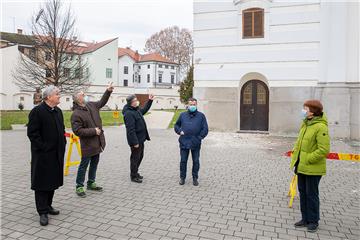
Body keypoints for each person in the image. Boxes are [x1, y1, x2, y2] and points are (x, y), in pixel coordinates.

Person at [27, 86, 66, 226]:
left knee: (53, 181)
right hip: (43, 155)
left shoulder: (58, 111)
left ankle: (48, 206)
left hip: (56, 154)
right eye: (57, 94)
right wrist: (43, 147)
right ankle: (42, 211)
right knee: (42, 183)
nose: (59, 96)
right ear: (49, 97)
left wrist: (63, 143)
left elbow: (62, 130)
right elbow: (32, 133)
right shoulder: (37, 111)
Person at [290, 99, 330, 233]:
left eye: (305, 109)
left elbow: (324, 150)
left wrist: (307, 158)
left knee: (311, 194)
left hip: (313, 167)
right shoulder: (305, 124)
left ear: (312, 112)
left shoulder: (321, 127)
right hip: (301, 165)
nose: (303, 111)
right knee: (303, 193)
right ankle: (305, 218)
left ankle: (313, 221)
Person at [71, 83, 114, 197]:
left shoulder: (91, 105)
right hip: (88, 144)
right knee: (84, 165)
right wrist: (93, 131)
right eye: (81, 94)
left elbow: (101, 102)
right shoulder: (76, 114)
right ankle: (79, 186)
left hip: (97, 142)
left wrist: (108, 91)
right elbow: (78, 131)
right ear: (77, 98)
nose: (84, 95)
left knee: (94, 164)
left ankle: (91, 183)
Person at [174, 98, 208, 186]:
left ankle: (195, 178)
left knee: (196, 161)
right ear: (187, 105)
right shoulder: (182, 115)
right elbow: (176, 125)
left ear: (196, 105)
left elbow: (205, 128)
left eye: (194, 104)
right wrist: (179, 131)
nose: (192, 106)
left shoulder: (201, 116)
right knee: (183, 161)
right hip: (184, 142)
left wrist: (199, 137)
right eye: (191, 104)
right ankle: (182, 177)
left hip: (195, 142)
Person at [122, 94, 154, 183]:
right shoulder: (128, 113)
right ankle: (133, 176)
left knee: (140, 156)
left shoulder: (136, 110)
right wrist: (134, 142)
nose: (137, 101)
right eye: (136, 100)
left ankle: (135, 172)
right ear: (132, 103)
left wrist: (150, 101)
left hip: (141, 139)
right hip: (136, 140)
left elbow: (144, 110)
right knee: (135, 158)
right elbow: (130, 130)